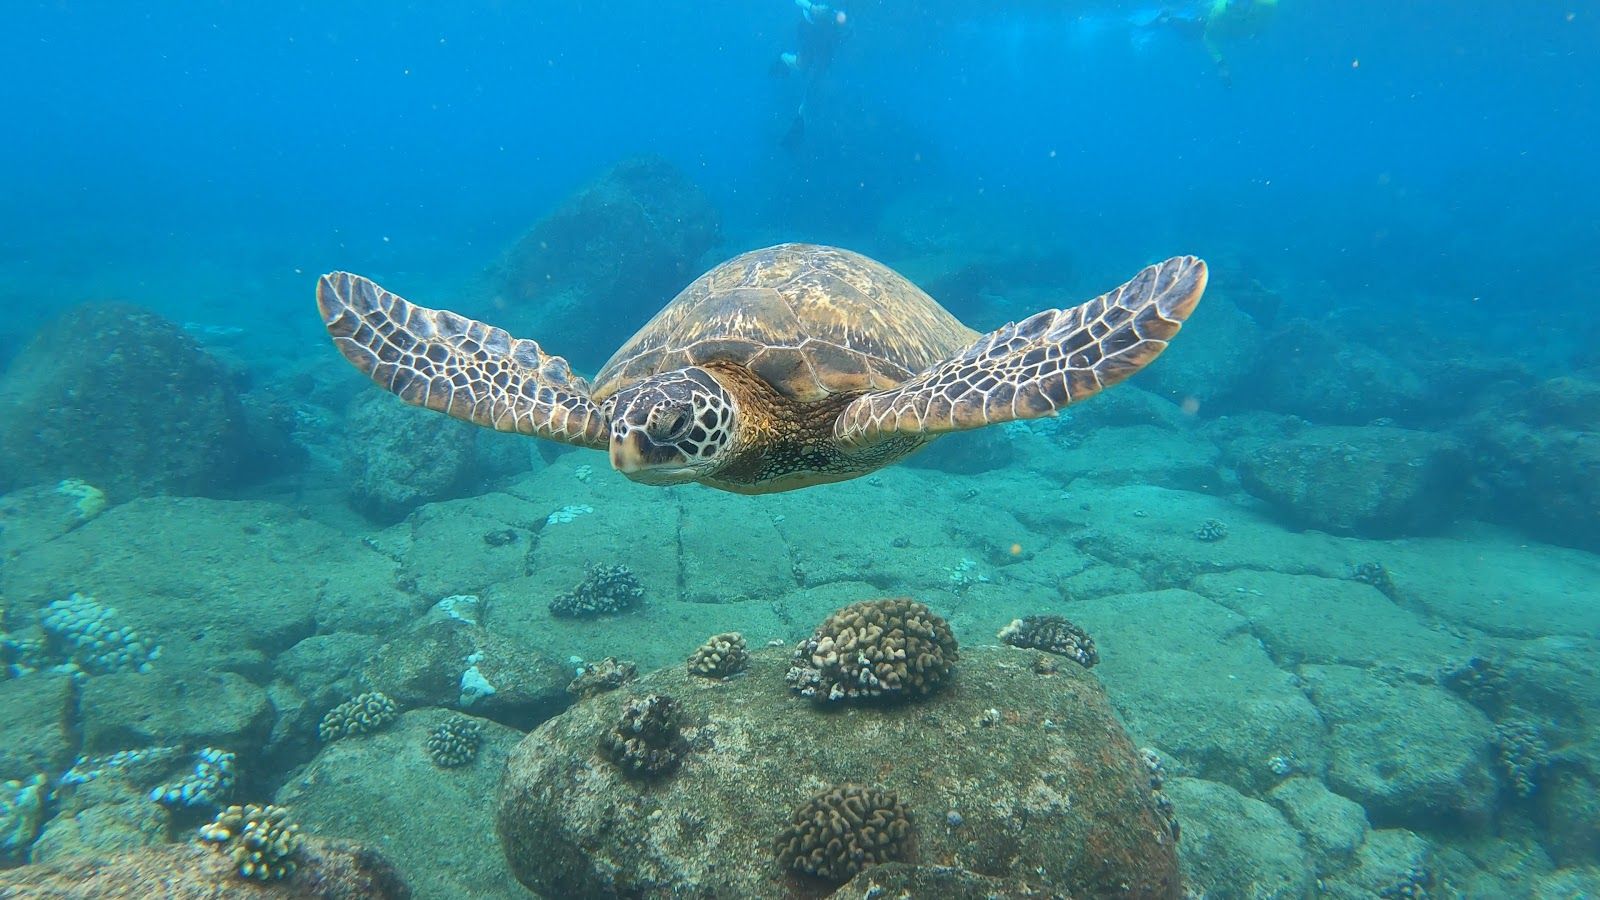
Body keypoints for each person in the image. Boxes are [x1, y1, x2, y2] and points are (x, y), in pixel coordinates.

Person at [1142, 0, 1277, 87]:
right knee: (1190, 34)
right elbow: (1208, 38)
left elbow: (1264, 19)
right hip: (1206, 19)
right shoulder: (1220, 13)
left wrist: (1259, 31)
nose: (1240, 6)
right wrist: (1221, 64)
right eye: (1235, 4)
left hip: (1233, 29)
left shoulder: (1268, 5)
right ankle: (1165, 19)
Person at [771, 0, 848, 148]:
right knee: (803, 65)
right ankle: (785, 59)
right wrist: (811, 7)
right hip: (811, 26)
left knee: (818, 76)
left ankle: (802, 116)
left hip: (831, 30)